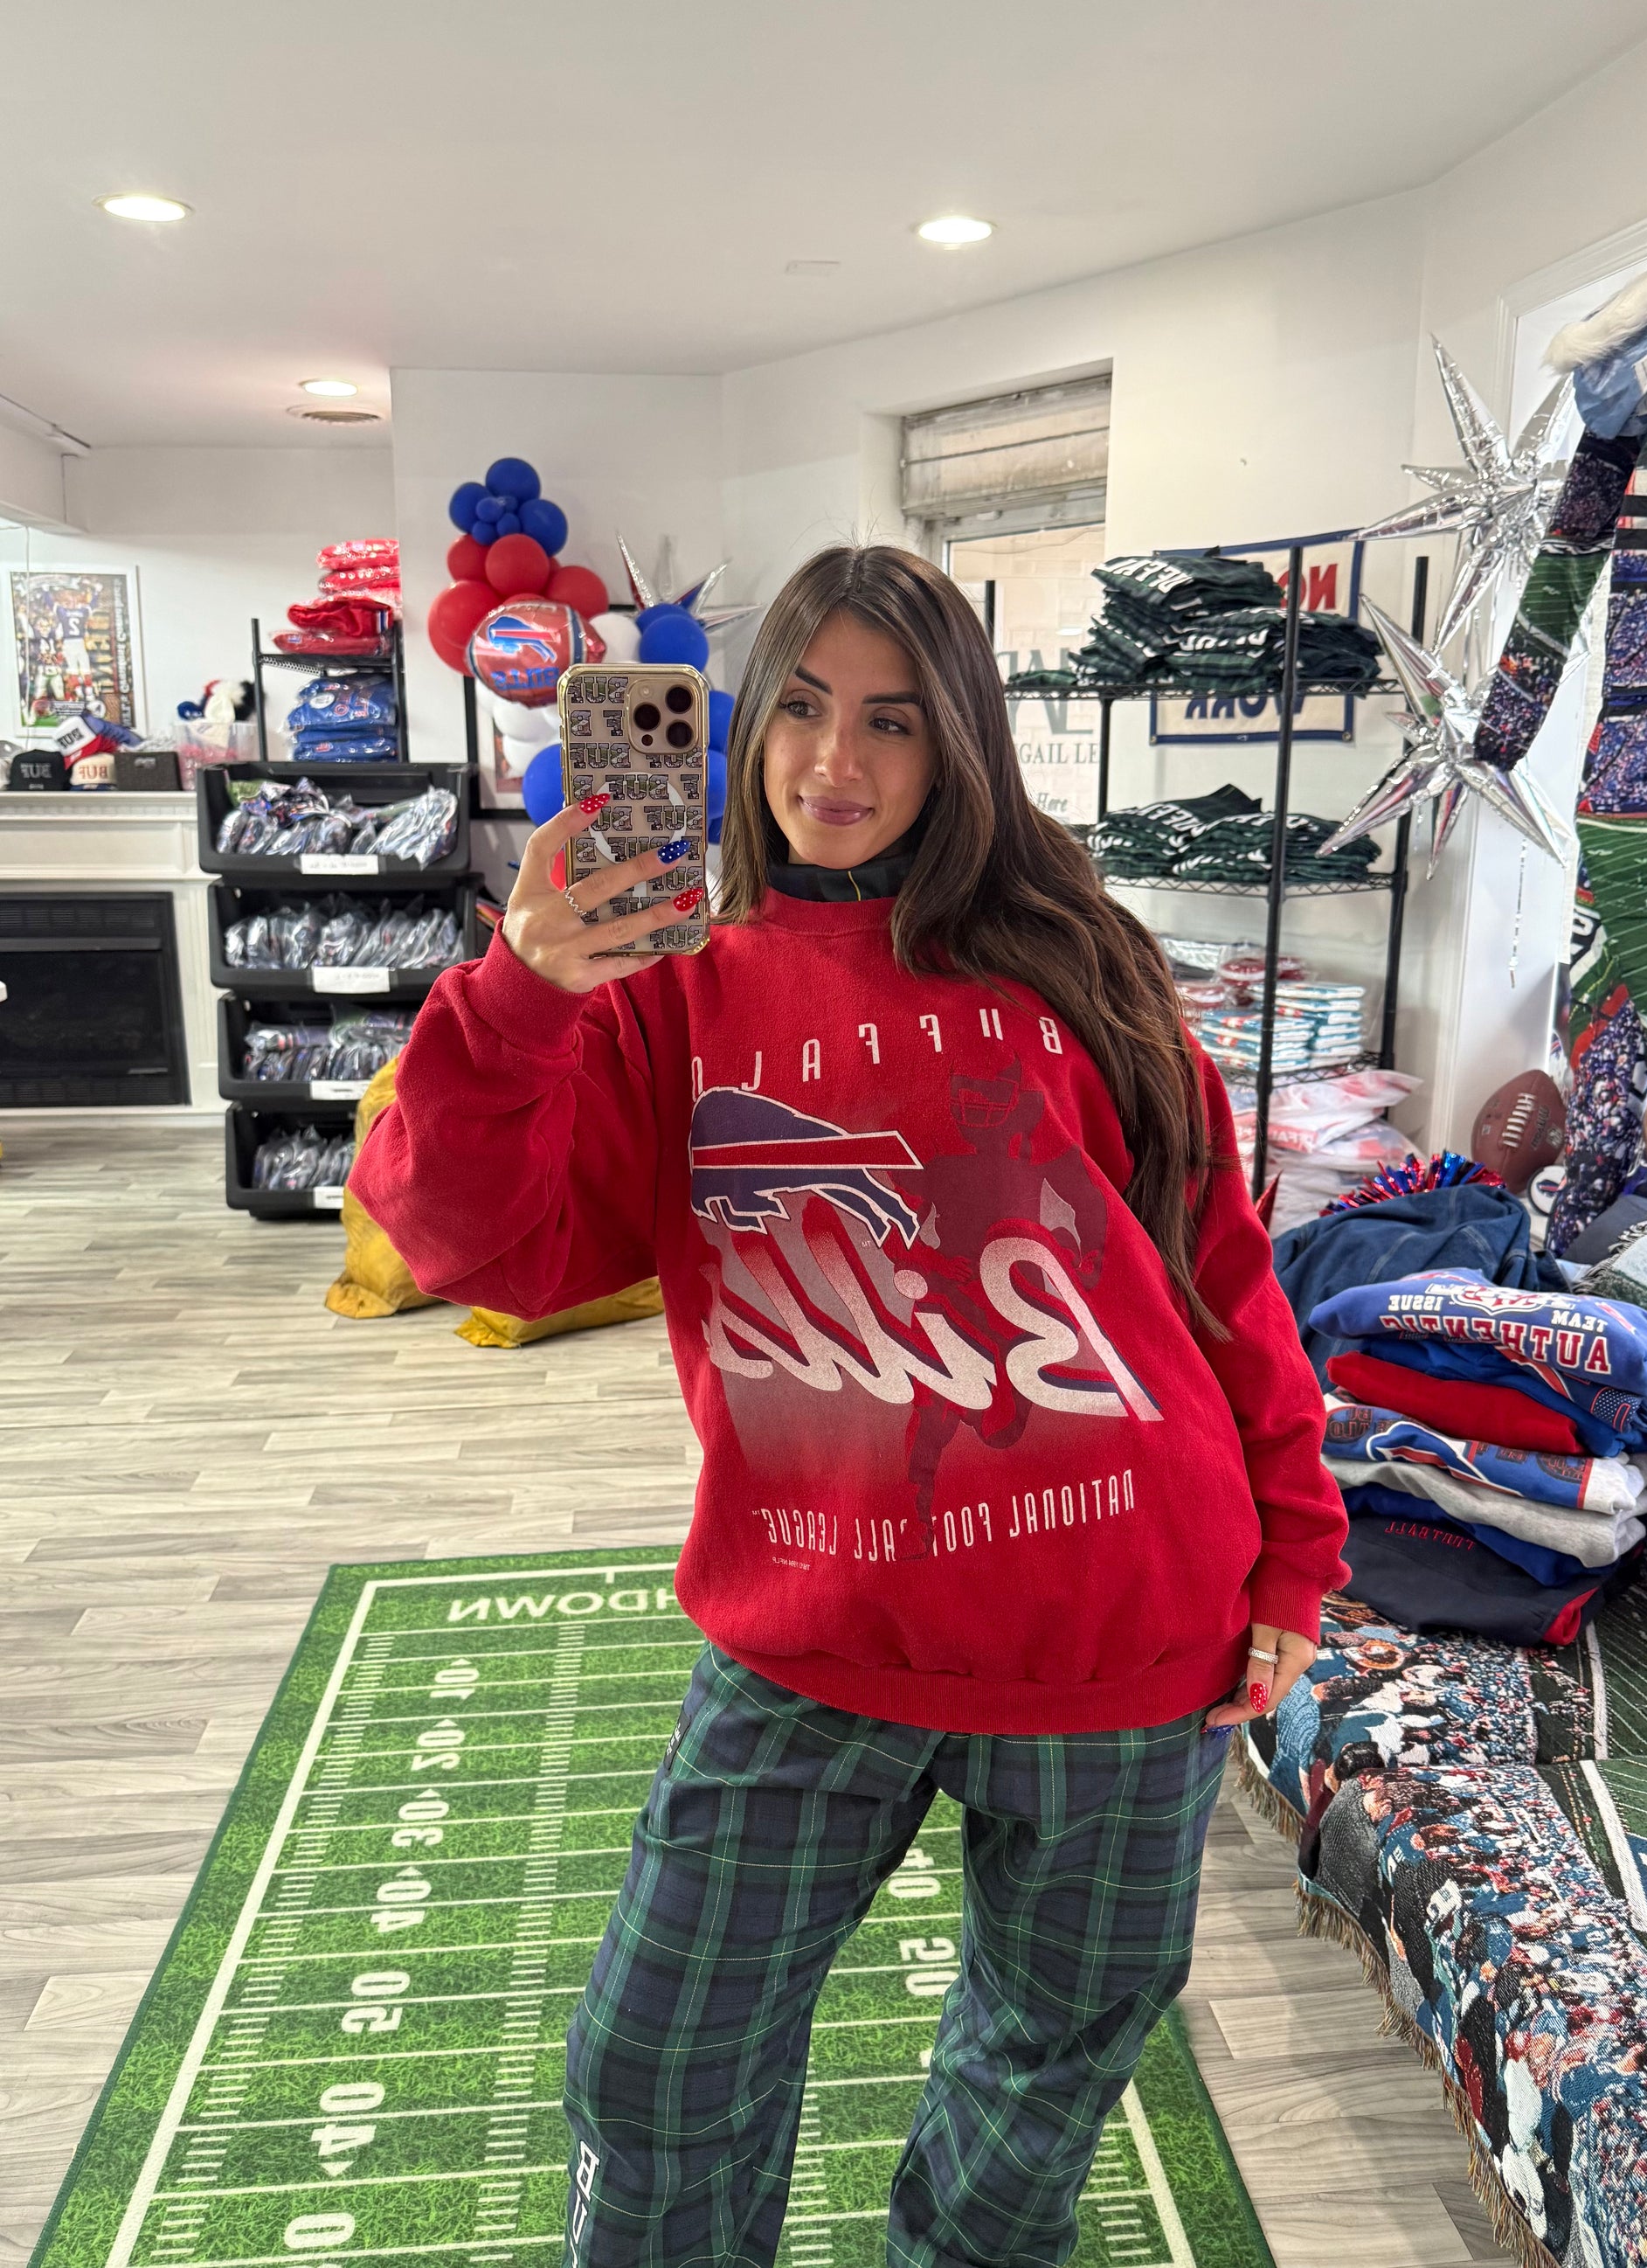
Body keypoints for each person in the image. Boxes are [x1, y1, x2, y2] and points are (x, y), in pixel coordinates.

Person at [353, 544, 1347, 2268]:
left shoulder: (1082, 964)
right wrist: (516, 997)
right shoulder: (663, 987)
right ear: (740, 728)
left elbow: (1218, 1280)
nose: (835, 759)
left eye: (892, 719)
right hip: (808, 1626)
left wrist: (1294, 1553)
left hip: (1120, 1622)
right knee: (656, 2064)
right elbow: (475, 1246)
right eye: (803, 706)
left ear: (959, 743)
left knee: (1042, 2076)